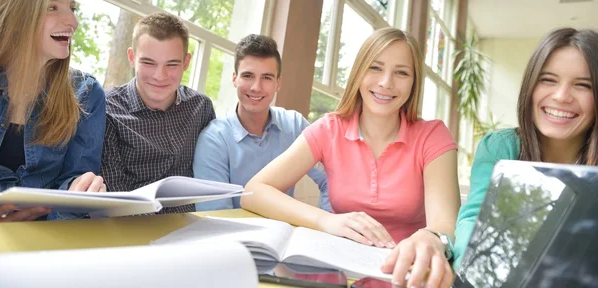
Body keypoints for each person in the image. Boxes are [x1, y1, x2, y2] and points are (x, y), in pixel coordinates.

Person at [242, 27, 460, 288]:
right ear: (359, 73)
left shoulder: (432, 136)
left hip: (407, 277)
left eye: (402, 72)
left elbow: (446, 223)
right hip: (338, 275)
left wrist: (431, 237)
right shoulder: (329, 129)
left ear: (414, 83)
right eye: (375, 68)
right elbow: (254, 191)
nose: (386, 82)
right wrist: (327, 220)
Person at [453, 27, 598, 268]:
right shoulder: (501, 148)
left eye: (583, 85)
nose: (561, 96)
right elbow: (474, 222)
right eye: (548, 80)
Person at [0, 0, 106, 221]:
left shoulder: (87, 93)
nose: (72, 21)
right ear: (18, 15)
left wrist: (80, 189)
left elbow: (74, 181)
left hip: (42, 243)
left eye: (72, 8)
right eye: (52, 8)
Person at [193, 34, 330, 211]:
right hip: (235, 237)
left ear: (278, 83)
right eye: (248, 75)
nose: (256, 87)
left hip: (286, 233)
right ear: (235, 78)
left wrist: (326, 227)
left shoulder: (295, 126)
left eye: (266, 77)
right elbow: (216, 217)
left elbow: (333, 181)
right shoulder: (213, 140)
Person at [100, 12, 215, 213]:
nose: (159, 76)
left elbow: (210, 180)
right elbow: (114, 202)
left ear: (186, 62)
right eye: (148, 63)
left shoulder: (201, 108)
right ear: (132, 58)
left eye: (172, 64)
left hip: (191, 228)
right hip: (132, 230)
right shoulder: (107, 109)